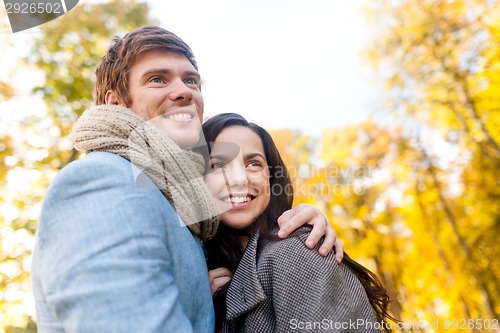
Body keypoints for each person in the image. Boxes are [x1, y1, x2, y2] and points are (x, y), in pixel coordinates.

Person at [31, 26, 343, 332]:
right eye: (157, 79)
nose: (184, 91)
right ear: (115, 103)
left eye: (191, 80)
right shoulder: (102, 179)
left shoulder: (184, 207)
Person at [203, 113, 394, 332]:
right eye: (219, 165)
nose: (239, 179)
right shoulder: (215, 274)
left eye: (253, 164)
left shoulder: (295, 251)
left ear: (272, 180)